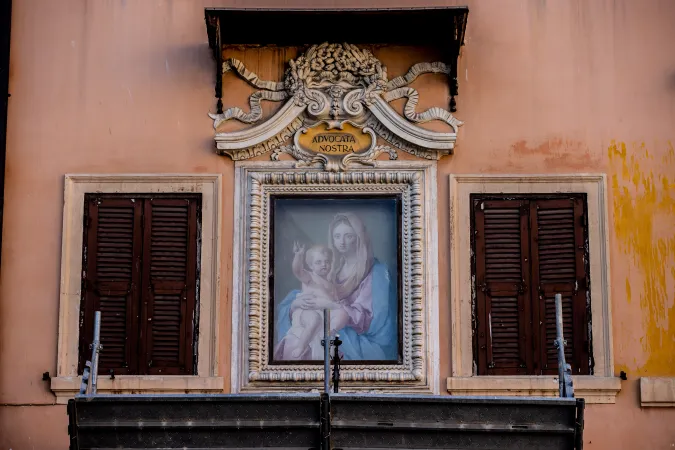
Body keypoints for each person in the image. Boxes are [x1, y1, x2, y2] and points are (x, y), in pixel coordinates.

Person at [274, 211, 398, 361]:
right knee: (299, 337)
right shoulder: (333, 268)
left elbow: (375, 320)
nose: (342, 242)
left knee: (317, 341)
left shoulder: (376, 271)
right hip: (324, 317)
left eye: (348, 236)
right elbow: (310, 285)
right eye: (337, 236)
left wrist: (330, 305)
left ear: (359, 238)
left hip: (356, 335)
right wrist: (295, 304)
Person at [275, 243, 350, 359]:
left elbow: (335, 302)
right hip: (307, 311)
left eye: (327, 261)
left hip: (324, 314)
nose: (324, 265)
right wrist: (299, 255)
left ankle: (328, 333)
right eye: (318, 262)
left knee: (343, 314)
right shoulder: (309, 277)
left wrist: (336, 306)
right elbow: (297, 270)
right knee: (315, 319)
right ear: (310, 266)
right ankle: (301, 346)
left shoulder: (332, 285)